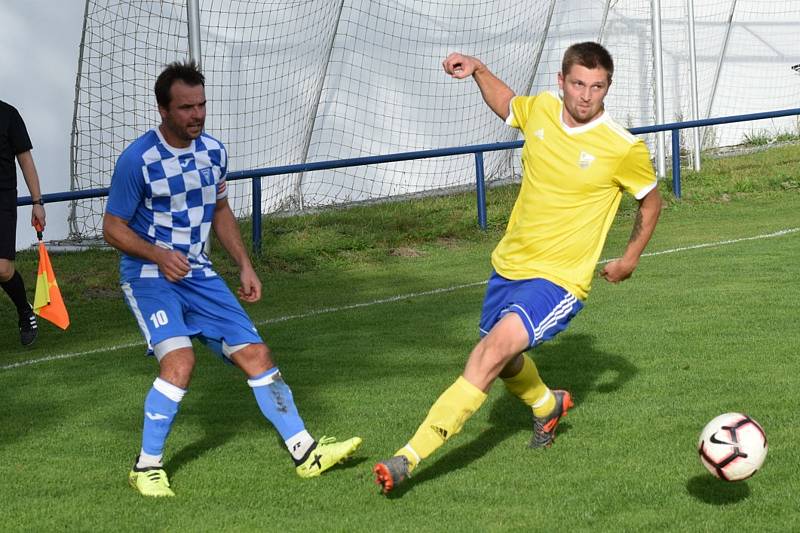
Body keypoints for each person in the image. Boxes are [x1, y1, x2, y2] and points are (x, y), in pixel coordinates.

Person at [373, 42, 662, 494]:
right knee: (505, 360)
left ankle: (407, 457)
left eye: (597, 86)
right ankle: (548, 406)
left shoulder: (622, 147)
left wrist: (629, 258)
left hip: (559, 279)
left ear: (608, 88)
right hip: (509, 266)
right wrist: (478, 71)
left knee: (487, 356)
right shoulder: (543, 109)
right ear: (561, 81)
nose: (586, 96)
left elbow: (650, 199)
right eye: (578, 84)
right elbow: (509, 106)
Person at [103, 60, 361, 498]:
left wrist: (243, 263)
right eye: (186, 107)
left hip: (200, 275)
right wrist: (158, 254)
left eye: (202, 104)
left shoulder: (214, 152)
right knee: (180, 363)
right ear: (162, 110)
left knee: (257, 353)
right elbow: (112, 227)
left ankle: (305, 452)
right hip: (149, 275)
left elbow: (220, 211)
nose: (197, 115)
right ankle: (146, 467)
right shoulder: (138, 160)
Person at [0, 100, 46, 346]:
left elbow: (25, 160)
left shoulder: (8, 114)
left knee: (2, 269)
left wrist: (37, 202)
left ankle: (24, 310)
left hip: (2, 200)